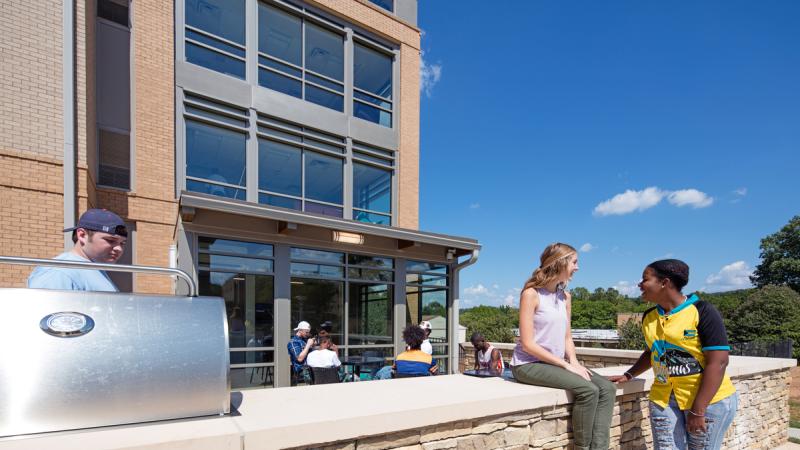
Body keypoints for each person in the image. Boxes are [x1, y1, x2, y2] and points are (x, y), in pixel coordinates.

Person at [608, 260, 738, 450]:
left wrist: (698, 410)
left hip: (707, 401)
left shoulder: (702, 311)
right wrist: (630, 374)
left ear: (664, 282)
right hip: (664, 399)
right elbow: (653, 351)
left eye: (645, 279)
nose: (639, 284)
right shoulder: (649, 316)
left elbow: (718, 363)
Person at [511, 243, 615, 450]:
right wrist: (566, 366)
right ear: (560, 263)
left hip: (556, 364)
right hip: (528, 364)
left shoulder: (565, 297)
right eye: (574, 262)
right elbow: (528, 344)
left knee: (607, 388)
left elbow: (567, 337)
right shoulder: (531, 294)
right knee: (588, 391)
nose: (577, 267)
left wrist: (575, 362)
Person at [28, 208, 127, 292]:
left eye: (122, 243)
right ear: (82, 235)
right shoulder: (59, 272)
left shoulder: (94, 268)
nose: (119, 248)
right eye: (110, 240)